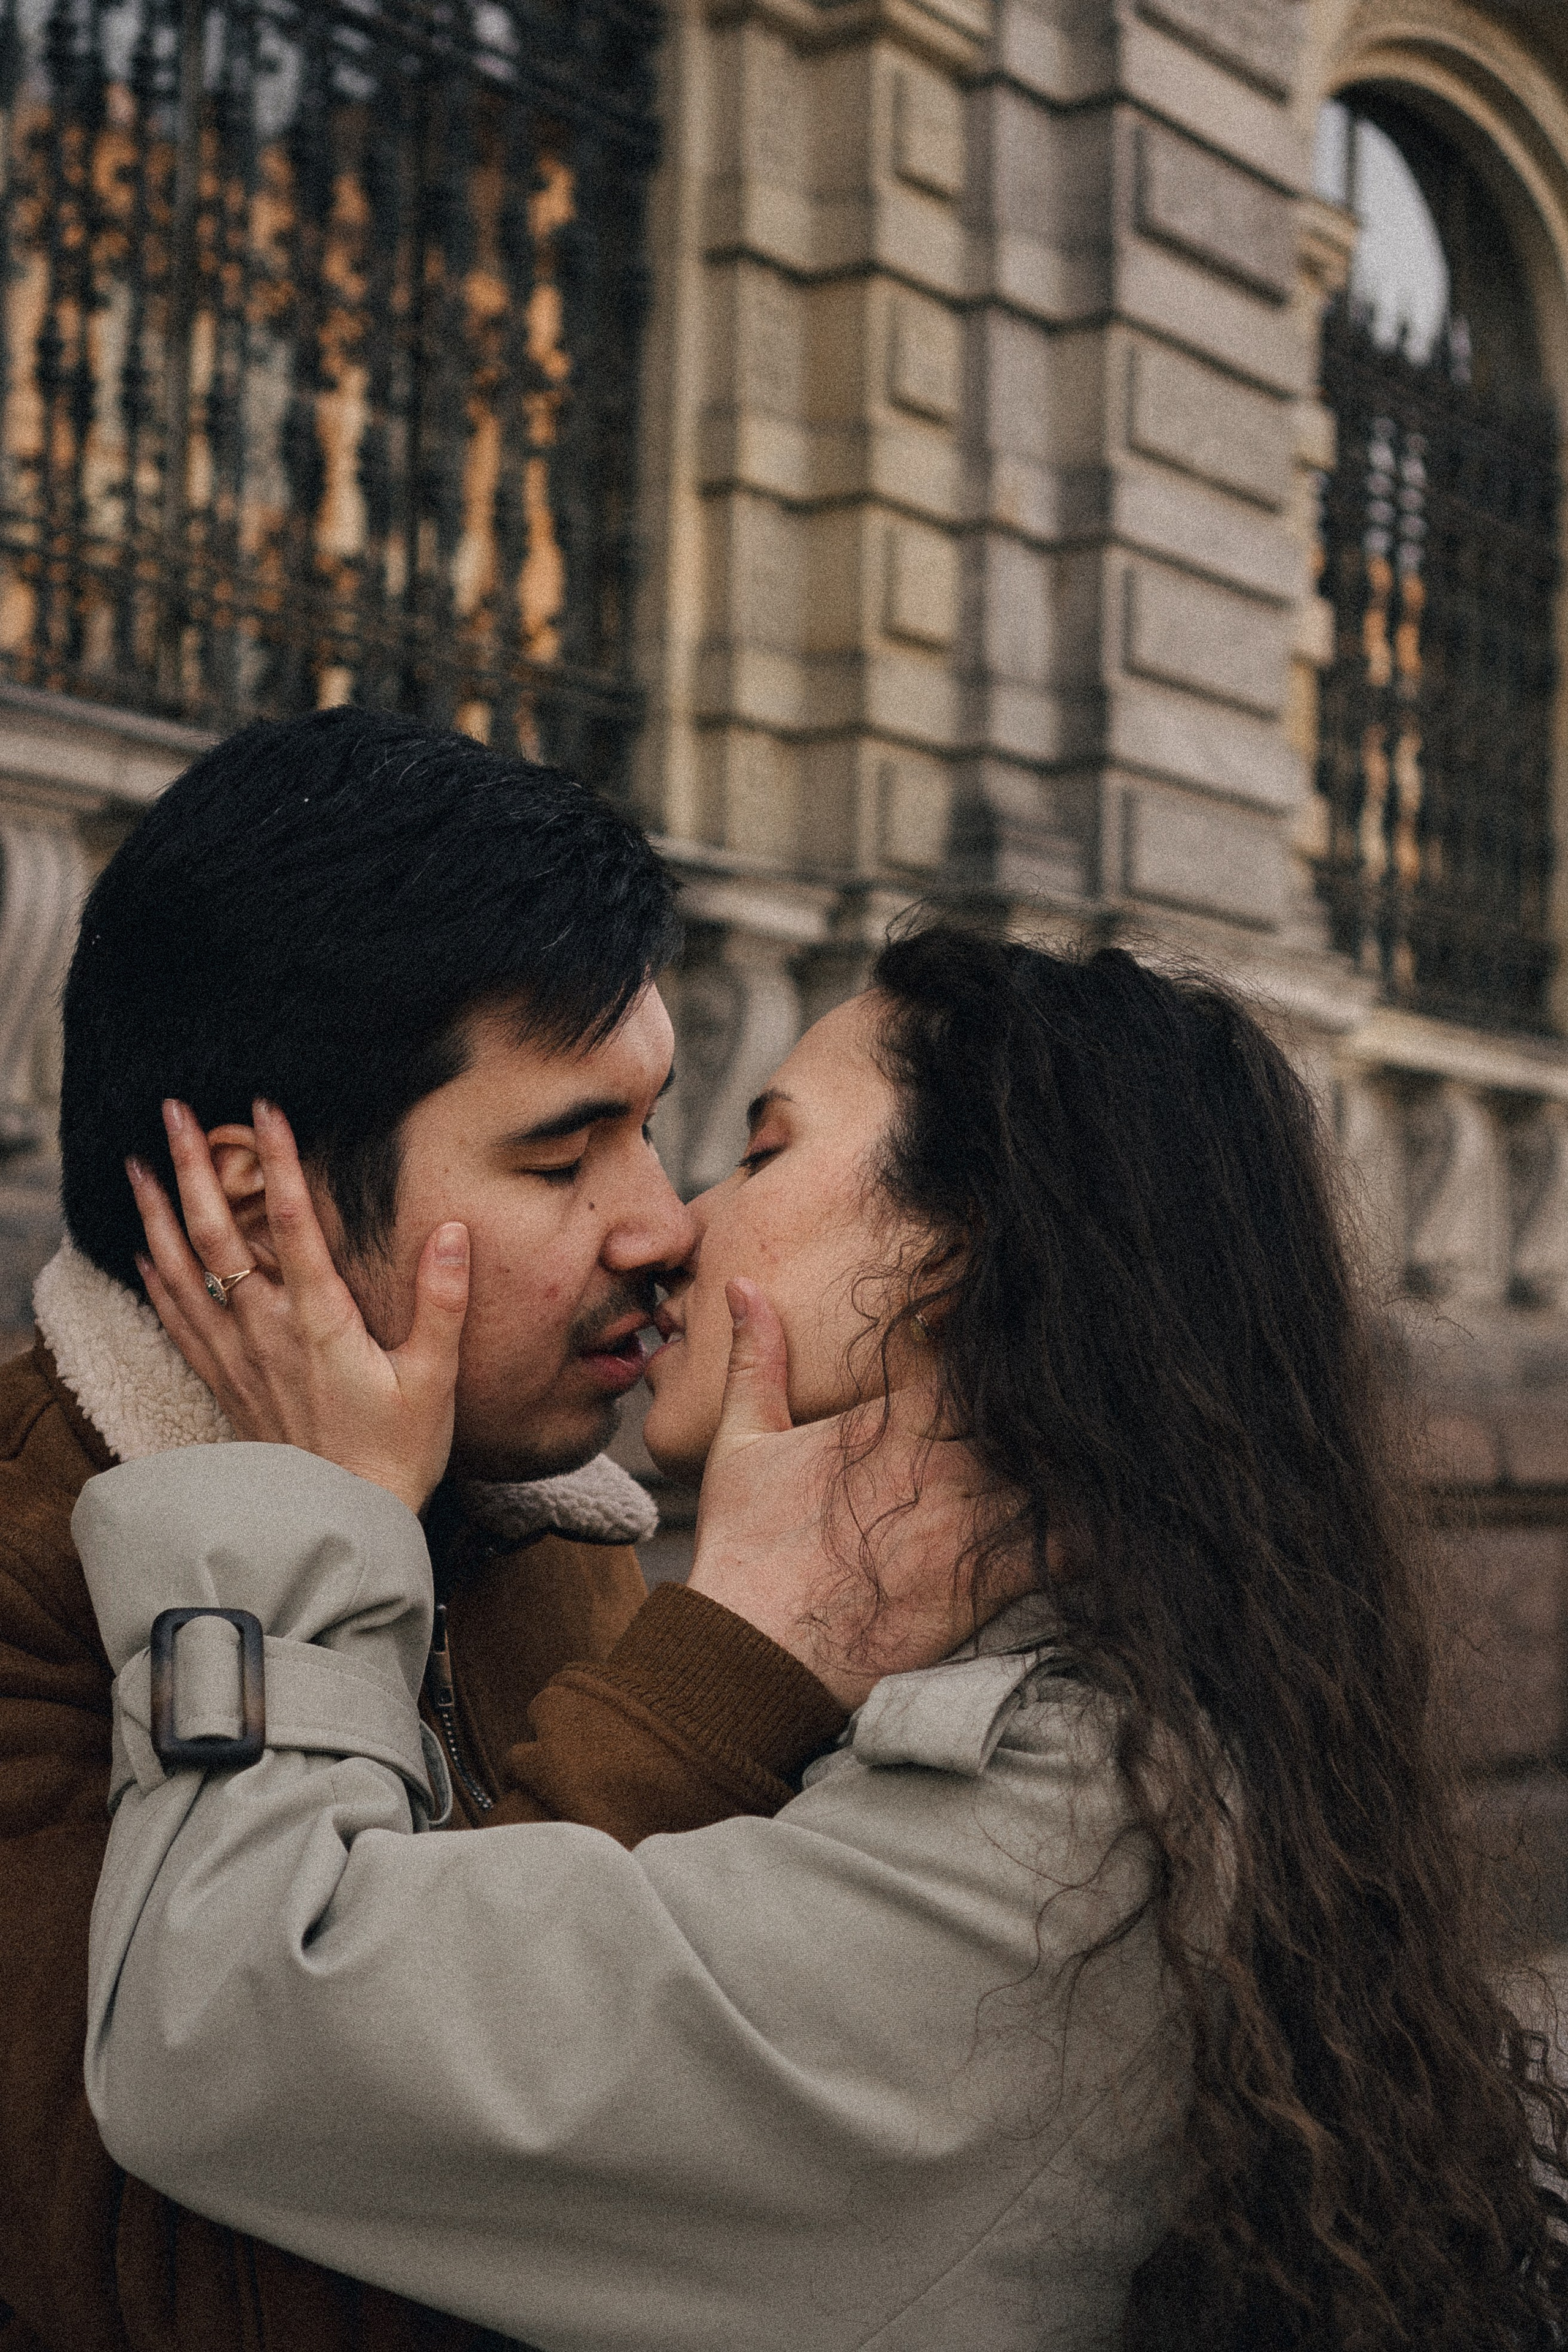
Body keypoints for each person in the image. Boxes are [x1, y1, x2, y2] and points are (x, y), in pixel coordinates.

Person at [77, 924, 1568, 2351]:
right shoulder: (1111, 1715)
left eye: (761, 1147)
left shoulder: (1049, 1853)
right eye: (567, 1154)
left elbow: (226, 2029)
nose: (672, 1223)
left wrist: (307, 1510)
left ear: (957, 1253)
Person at [1, 704, 918, 2352]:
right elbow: (231, 2299)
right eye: (566, 1154)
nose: (665, 1224)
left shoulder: (546, 1525)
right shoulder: (22, 1556)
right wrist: (708, 1685)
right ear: (259, 1205)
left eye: (657, 1126)